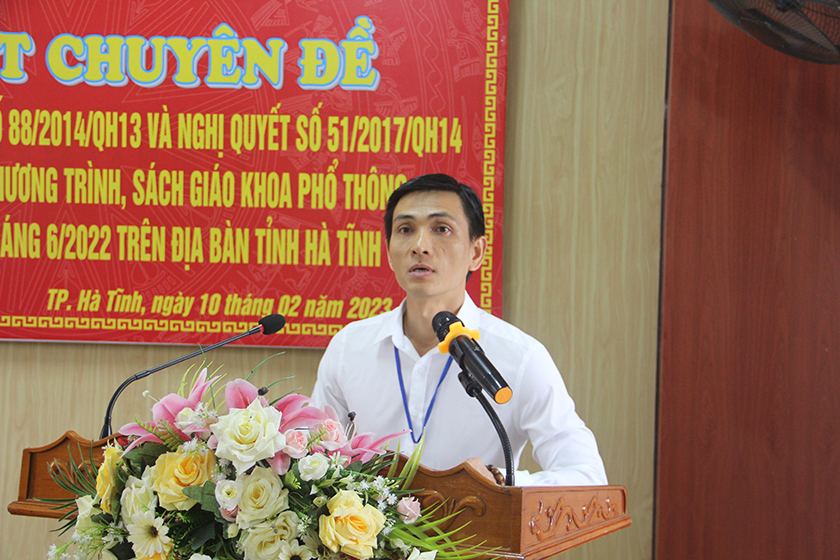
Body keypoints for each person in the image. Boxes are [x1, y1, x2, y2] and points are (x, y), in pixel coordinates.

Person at [311, 174, 607, 486]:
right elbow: (313, 457)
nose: (420, 246)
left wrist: (501, 483)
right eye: (405, 230)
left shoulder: (520, 358)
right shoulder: (349, 347)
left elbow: (587, 477)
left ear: (476, 253)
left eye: (442, 229)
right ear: (389, 252)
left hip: (477, 518)